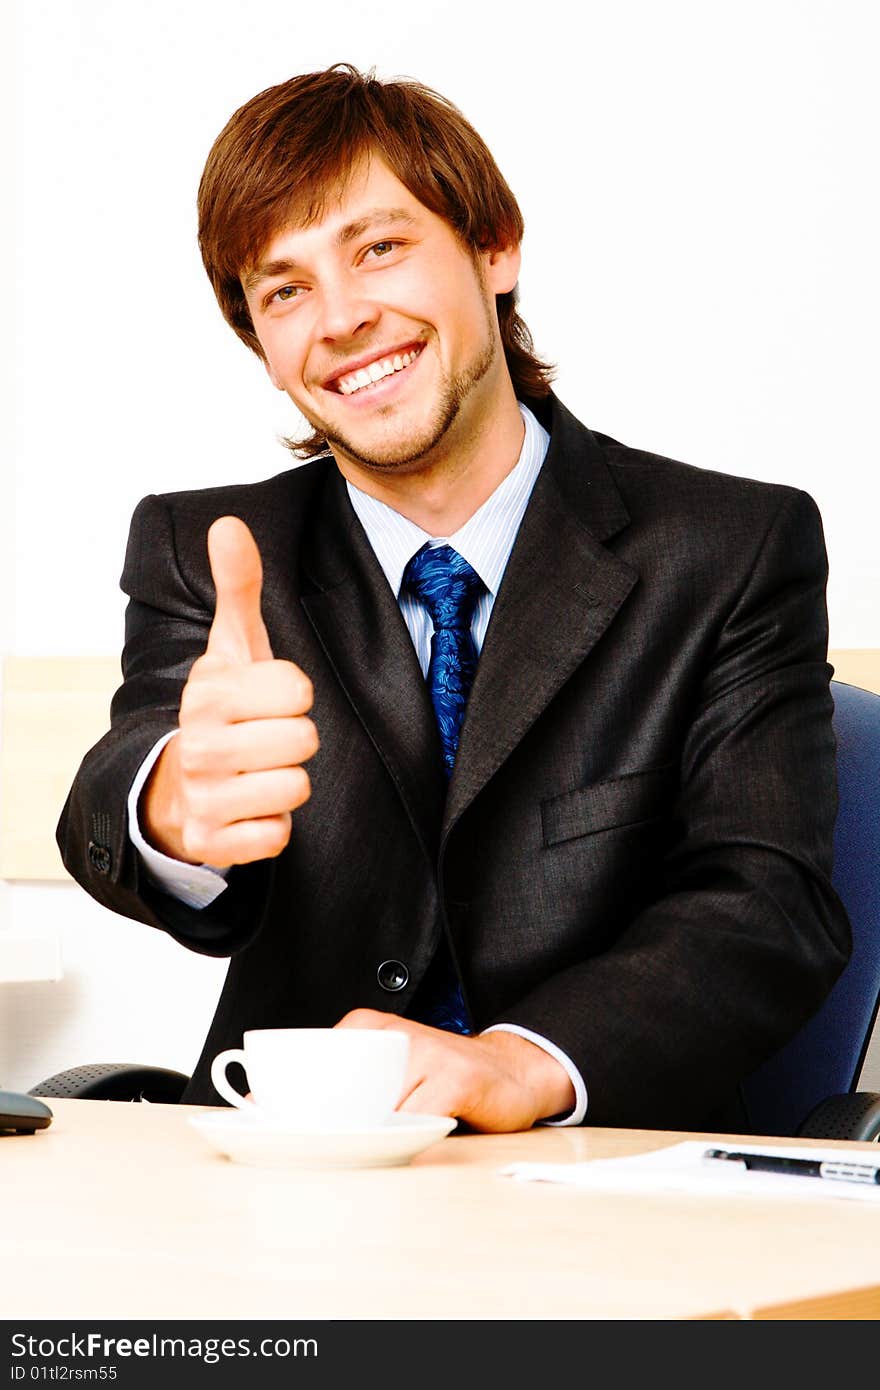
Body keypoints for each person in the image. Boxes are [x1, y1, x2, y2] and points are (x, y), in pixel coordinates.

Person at [57, 64, 850, 1133]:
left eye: (379, 248)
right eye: (283, 289)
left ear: (494, 247)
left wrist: (520, 1064)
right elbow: (136, 762)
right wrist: (167, 804)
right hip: (299, 1176)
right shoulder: (211, 549)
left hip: (605, 1174)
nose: (340, 318)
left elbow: (765, 905)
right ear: (263, 346)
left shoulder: (731, 548)